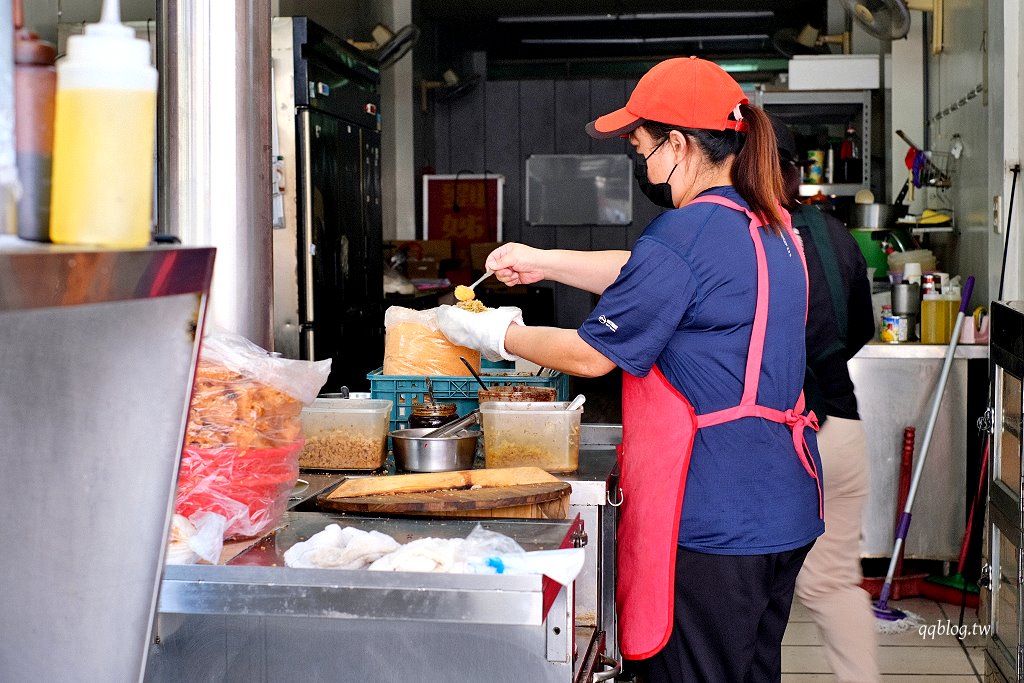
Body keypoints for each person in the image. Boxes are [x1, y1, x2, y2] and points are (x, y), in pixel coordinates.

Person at [437, 56, 824, 682]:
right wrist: (546, 261)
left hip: (711, 512)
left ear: (678, 144)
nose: (643, 166)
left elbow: (592, 355)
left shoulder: (688, 232)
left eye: (642, 150)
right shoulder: (770, 226)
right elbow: (652, 269)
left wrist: (496, 333)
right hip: (783, 501)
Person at [772, 116, 880, 682]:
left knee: (751, 587)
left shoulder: (750, 237)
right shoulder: (837, 235)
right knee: (834, 583)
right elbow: (857, 328)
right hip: (842, 428)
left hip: (781, 438)